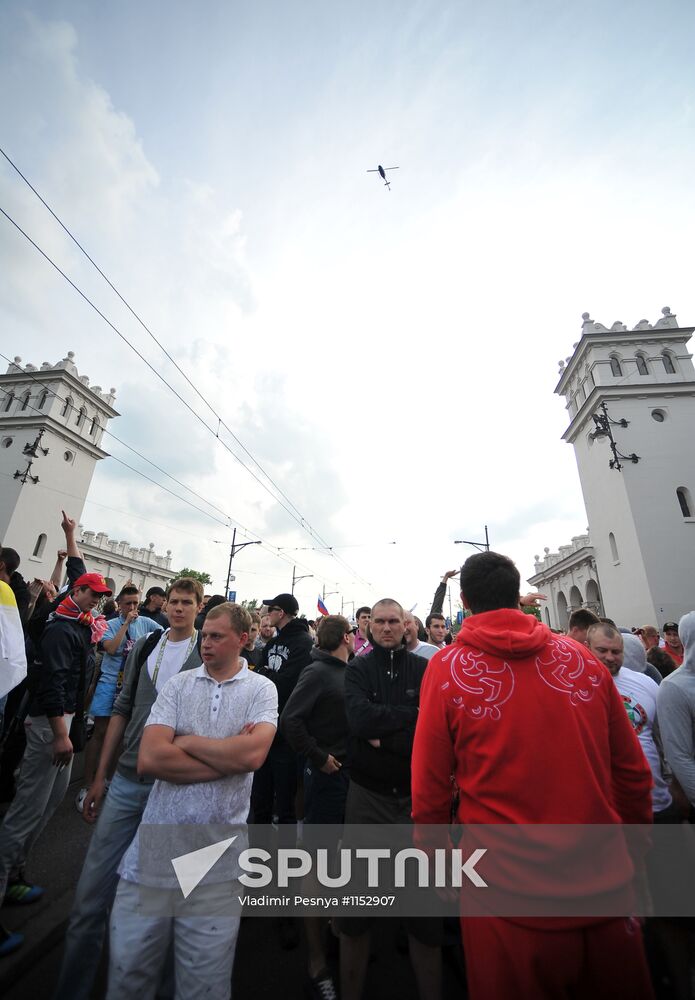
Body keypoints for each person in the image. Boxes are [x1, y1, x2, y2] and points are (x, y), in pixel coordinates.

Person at [412, 552, 654, 1000]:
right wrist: (633, 857)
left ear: (464, 600)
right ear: (517, 595)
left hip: (504, 900)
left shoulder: (445, 671)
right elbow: (633, 774)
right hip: (604, 890)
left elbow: (428, 785)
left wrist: (435, 857)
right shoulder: (583, 660)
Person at [105, 602, 277, 999]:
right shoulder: (179, 685)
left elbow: (253, 757)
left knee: (203, 987)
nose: (207, 643)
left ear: (243, 640)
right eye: (206, 634)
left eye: (217, 636)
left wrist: (185, 742)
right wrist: (227, 758)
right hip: (153, 854)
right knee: (129, 976)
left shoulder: (261, 689)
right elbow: (150, 758)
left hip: (218, 864)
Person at [53, 576, 204, 1000]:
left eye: (186, 602)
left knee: (166, 909)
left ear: (198, 606)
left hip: (173, 795)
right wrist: (98, 777)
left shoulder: (205, 655)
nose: (177, 608)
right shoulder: (146, 647)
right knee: (88, 903)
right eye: (172, 601)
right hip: (126, 784)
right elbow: (121, 710)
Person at [0, 572, 112, 955]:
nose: (95, 601)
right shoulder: (62, 629)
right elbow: (52, 682)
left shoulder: (78, 625)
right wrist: (61, 732)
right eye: (90, 593)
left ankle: (14, 875)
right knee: (25, 811)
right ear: (75, 590)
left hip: (63, 721)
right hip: (51, 723)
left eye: (99, 597)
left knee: (49, 802)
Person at [340, 599, 441, 1000]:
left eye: (393, 621)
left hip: (417, 802)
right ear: (368, 627)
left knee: (424, 914)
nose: (385, 627)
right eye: (378, 621)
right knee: (356, 912)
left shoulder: (425, 668)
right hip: (367, 798)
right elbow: (359, 721)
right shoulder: (357, 669)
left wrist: (388, 733)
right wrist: (409, 717)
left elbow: (433, 726)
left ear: (406, 625)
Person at [281, 614, 353, 999]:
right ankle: (316, 961)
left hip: (351, 781)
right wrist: (318, 757)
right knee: (317, 867)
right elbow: (290, 720)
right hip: (326, 780)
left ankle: (338, 928)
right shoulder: (318, 672)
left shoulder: (349, 670)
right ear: (346, 637)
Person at [75, 585, 160, 812]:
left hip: (132, 687)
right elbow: (111, 649)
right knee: (101, 733)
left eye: (135, 603)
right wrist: (125, 624)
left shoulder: (148, 624)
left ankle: (109, 781)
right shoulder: (109, 625)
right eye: (128, 604)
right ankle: (87, 783)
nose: (133, 607)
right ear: (120, 605)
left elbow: (164, 638)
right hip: (110, 683)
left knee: (121, 736)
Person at [252, 593, 313, 826]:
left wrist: (268, 675)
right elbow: (258, 674)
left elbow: (290, 683)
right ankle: (258, 855)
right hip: (265, 726)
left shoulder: (304, 643)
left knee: (285, 802)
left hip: (287, 731)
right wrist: (269, 676)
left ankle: (287, 860)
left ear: (282, 613)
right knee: (260, 797)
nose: (267, 614)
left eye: (271, 610)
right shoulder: (274, 642)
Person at [657, 613, 695, 808]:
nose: (672, 638)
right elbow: (679, 756)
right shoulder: (673, 687)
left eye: (675, 633)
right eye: (668, 634)